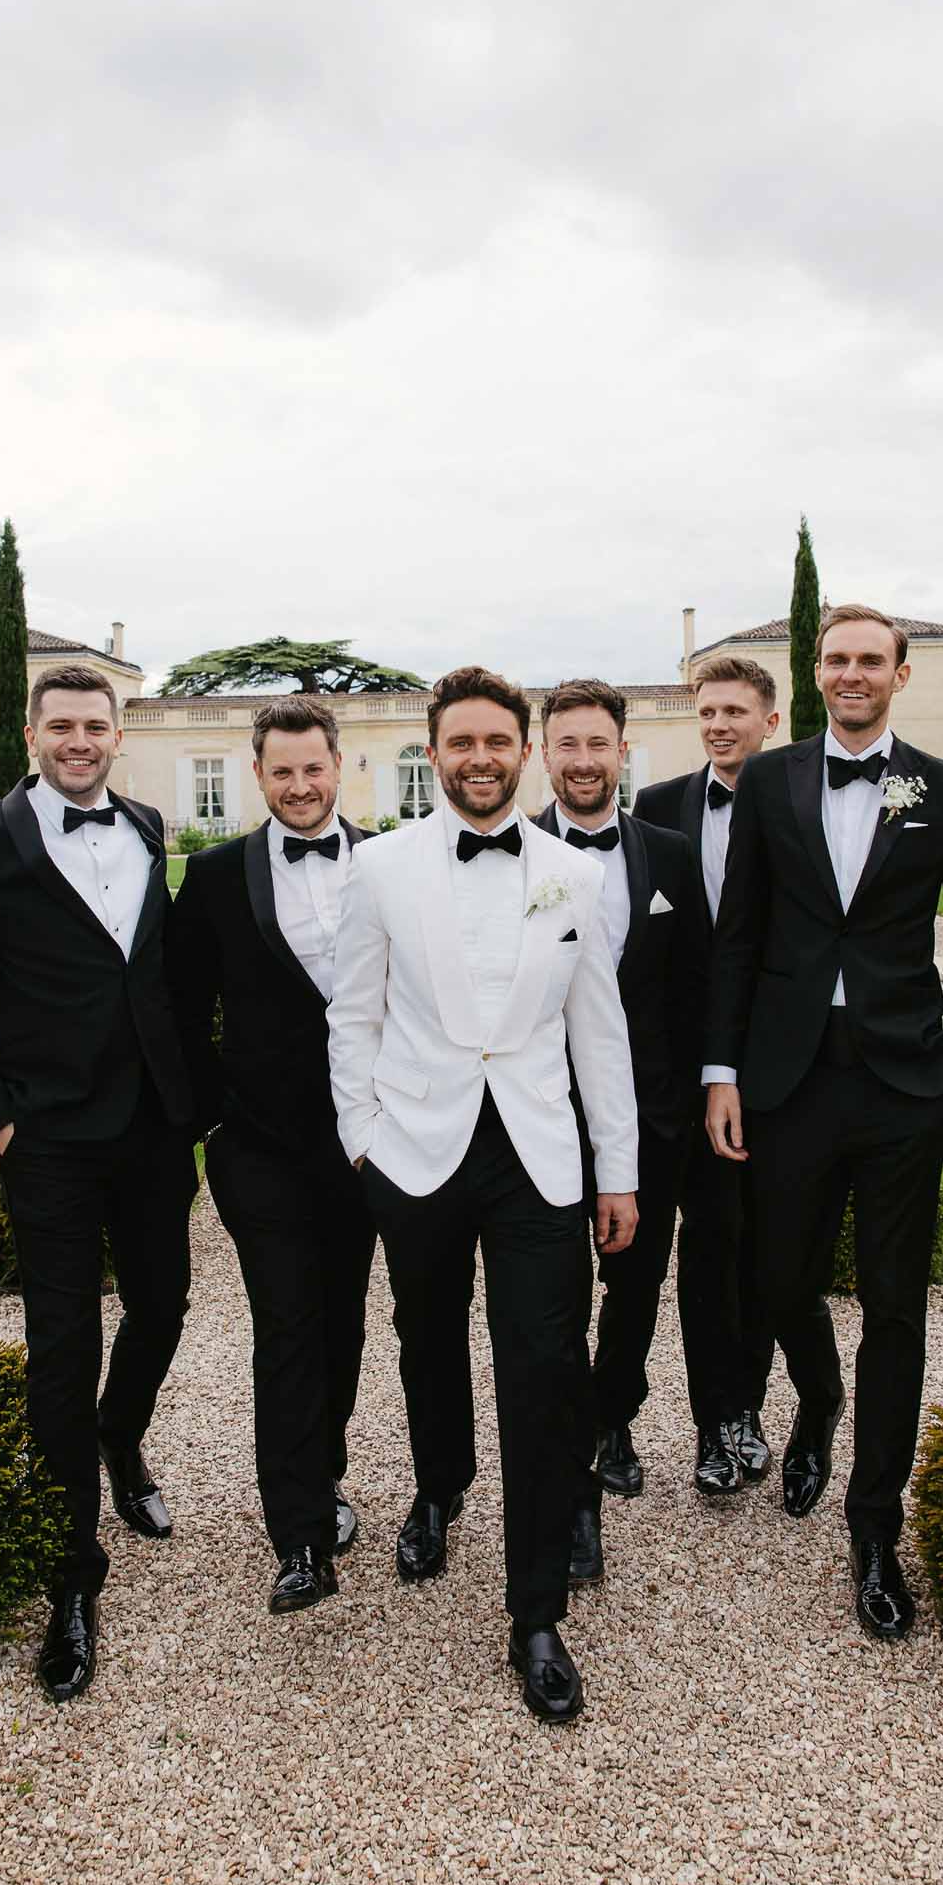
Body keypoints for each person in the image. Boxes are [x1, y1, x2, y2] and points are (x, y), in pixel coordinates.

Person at [327, 666, 638, 1723]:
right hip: (415, 1147)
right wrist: (362, 1139)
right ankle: (440, 1483)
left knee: (545, 1369)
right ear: (433, 751)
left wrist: (617, 1168)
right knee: (425, 1338)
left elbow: (598, 1029)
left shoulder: (574, 874)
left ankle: (536, 1612)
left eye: (497, 741)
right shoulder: (377, 867)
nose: (479, 758)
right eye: (460, 741)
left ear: (524, 750)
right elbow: (352, 1014)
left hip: (538, 1155)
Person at [704, 605, 943, 1641]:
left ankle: (873, 1526)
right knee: (778, 1280)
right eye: (836, 658)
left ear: (900, 675)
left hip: (901, 1088)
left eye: (870, 660)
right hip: (787, 1081)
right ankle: (820, 1396)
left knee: (896, 1305)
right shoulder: (770, 781)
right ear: (816, 672)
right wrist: (721, 1071)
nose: (852, 674)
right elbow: (737, 936)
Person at [0, 665, 196, 1703]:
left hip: (154, 1130)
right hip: (48, 1141)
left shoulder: (149, 826)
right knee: (61, 1347)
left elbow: (147, 972)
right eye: (62, 725)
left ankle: (121, 1433)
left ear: (119, 734)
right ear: (31, 733)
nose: (81, 740)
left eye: (96, 725)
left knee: (164, 1306)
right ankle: (71, 1577)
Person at [166, 696, 375, 1617]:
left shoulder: (390, 864)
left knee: (343, 1325)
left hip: (365, 1147)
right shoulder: (214, 876)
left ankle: (322, 1471)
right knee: (286, 1326)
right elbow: (178, 1007)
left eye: (312, 768)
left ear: (339, 766)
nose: (298, 785)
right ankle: (297, 1538)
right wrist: (213, 1117)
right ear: (257, 774)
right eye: (281, 771)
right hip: (259, 1149)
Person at [534, 677, 708, 1573]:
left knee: (634, 1286)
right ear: (544, 753)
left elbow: (697, 985)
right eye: (566, 744)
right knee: (557, 1294)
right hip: (540, 1116)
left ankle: (614, 1417)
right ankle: (570, 1452)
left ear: (621, 752)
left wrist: (694, 1096)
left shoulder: (669, 856)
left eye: (597, 744)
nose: (583, 761)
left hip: (651, 1116)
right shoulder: (513, 854)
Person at [634, 655, 804, 1498]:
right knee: (705, 1244)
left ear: (769, 721)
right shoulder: (656, 806)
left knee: (762, 1246)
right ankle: (714, 1419)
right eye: (706, 712)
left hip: (774, 1062)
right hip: (682, 1071)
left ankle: (748, 1406)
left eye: (734, 711)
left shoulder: (800, 801)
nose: (718, 725)